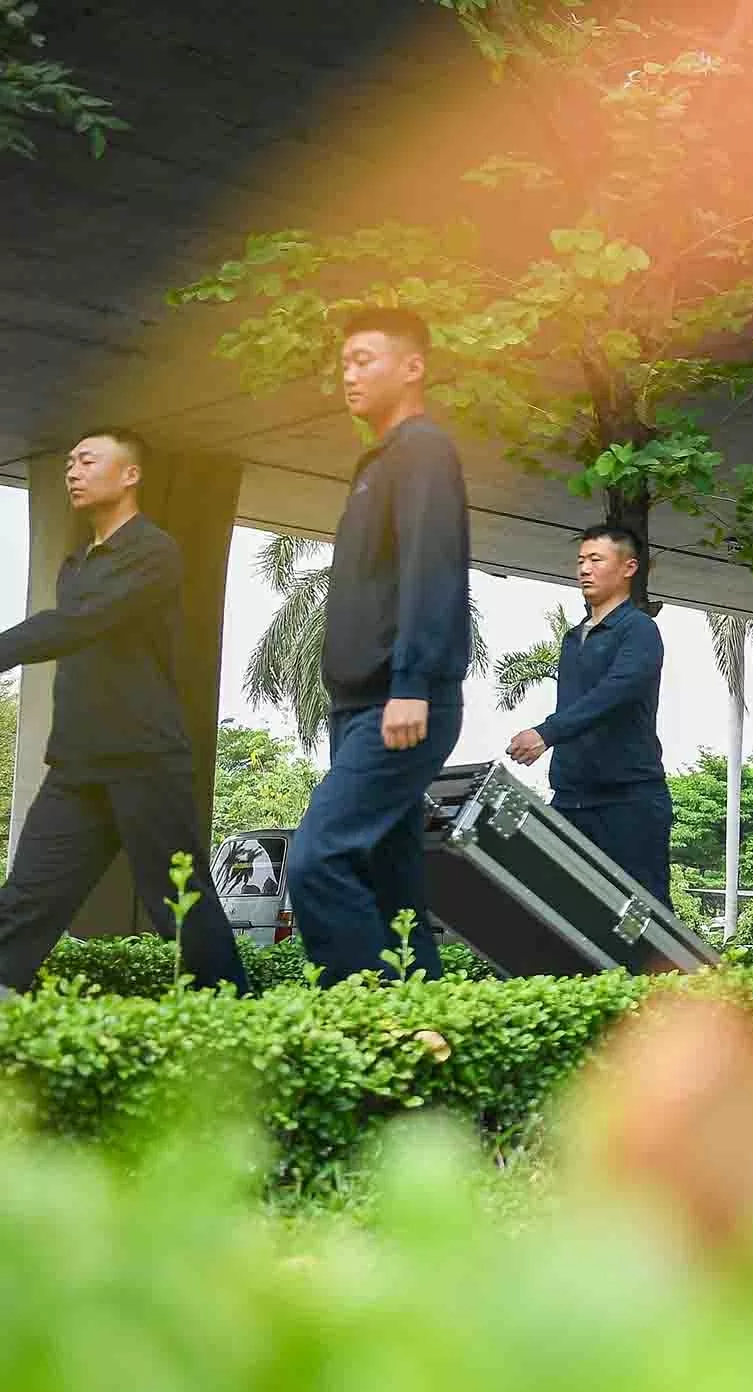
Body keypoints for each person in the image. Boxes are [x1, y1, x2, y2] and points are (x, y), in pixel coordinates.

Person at [0, 428, 248, 997]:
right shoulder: (79, 563)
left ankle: (238, 1026)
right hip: (78, 765)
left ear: (129, 474)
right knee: (27, 900)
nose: (72, 470)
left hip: (144, 759)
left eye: (87, 460)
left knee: (179, 906)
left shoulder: (153, 551)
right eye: (68, 462)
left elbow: (79, 623)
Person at [287, 309, 471, 979]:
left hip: (399, 703)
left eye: (364, 359)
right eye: (343, 364)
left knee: (319, 857)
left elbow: (432, 566)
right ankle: (427, 1026)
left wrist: (412, 682)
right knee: (393, 890)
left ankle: (377, 1024)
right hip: (361, 704)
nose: (349, 375)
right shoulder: (379, 461)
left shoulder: (422, 449)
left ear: (412, 367)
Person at [507, 525, 671, 908]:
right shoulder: (573, 637)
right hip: (570, 799)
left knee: (645, 918)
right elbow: (576, 707)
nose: (584, 569)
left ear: (628, 567)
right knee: (549, 909)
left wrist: (547, 733)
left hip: (629, 801)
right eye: (581, 561)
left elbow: (613, 695)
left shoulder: (640, 631)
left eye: (596, 560)